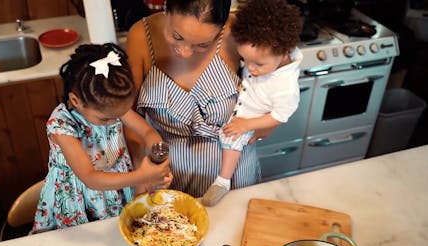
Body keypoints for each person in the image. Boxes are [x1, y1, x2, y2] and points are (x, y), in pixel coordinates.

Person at [125, 0, 264, 199]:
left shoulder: (238, 32)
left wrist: (270, 123)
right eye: (176, 36)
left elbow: (281, 74)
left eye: (202, 45)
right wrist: (140, 172)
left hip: (234, 172)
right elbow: (128, 115)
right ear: (167, 9)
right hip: (170, 174)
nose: (185, 52)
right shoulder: (140, 36)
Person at [31, 43, 172, 233]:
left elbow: (148, 133)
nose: (115, 120)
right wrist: (143, 176)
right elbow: (91, 178)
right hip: (81, 196)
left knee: (120, 235)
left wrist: (158, 157)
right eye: (106, 119)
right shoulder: (62, 126)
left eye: (120, 114)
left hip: (119, 186)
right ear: (75, 101)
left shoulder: (110, 107)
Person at [202, 0, 303, 206]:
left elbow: (280, 116)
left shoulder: (286, 87)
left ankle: (223, 181)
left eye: (258, 64)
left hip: (252, 118)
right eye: (245, 60)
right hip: (243, 109)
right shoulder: (265, 51)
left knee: (232, 139)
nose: (251, 68)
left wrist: (245, 125)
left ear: (284, 54)